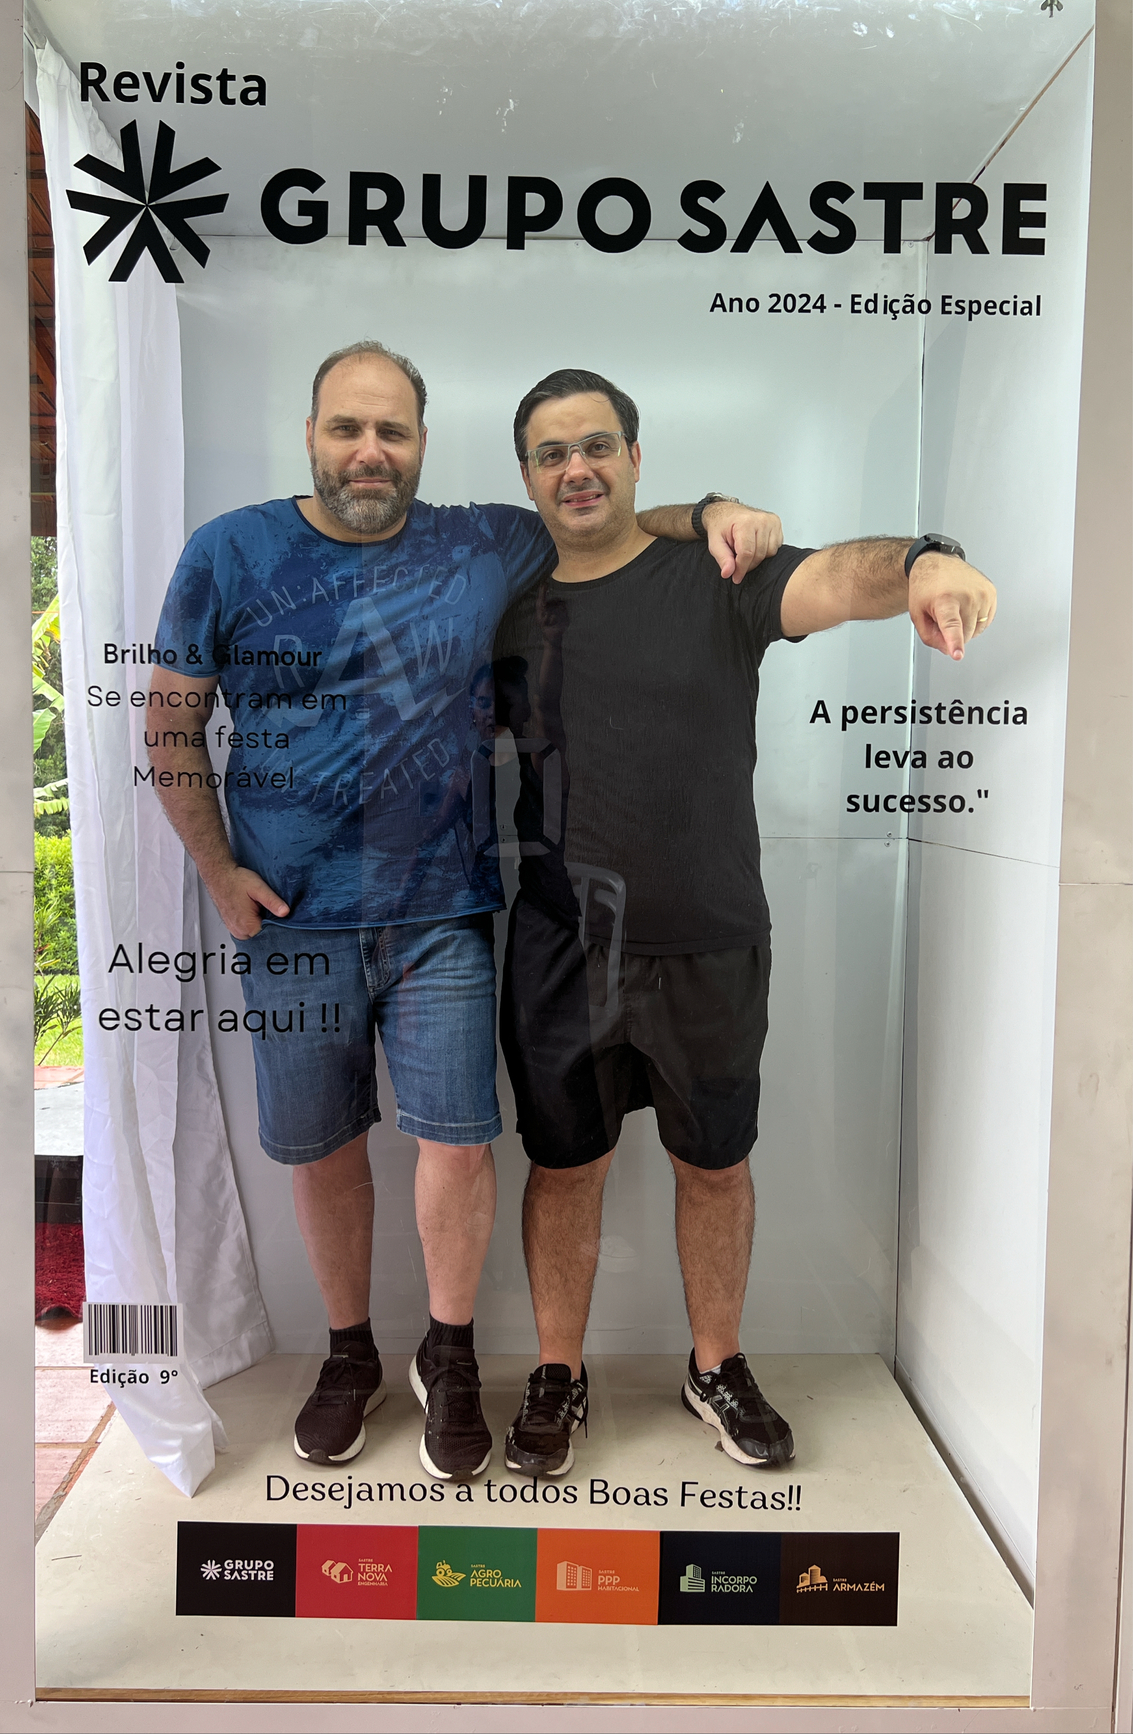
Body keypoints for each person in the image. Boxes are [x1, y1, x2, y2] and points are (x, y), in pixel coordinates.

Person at [147, 340, 778, 1482]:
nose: (370, 450)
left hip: (443, 912)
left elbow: (607, 517)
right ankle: (349, 1355)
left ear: (423, 444)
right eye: (348, 427)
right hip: (289, 920)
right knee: (323, 1148)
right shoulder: (228, 551)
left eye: (392, 430)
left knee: (459, 1143)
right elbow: (171, 720)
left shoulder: (488, 540)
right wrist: (216, 869)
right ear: (311, 435)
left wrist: (714, 511)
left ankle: (448, 1355)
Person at [494, 367, 996, 1478]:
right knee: (565, 1167)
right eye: (551, 453)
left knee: (714, 1166)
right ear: (526, 476)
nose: (576, 468)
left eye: (597, 445)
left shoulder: (715, 575)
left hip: (710, 938)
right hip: (560, 944)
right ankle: (559, 1371)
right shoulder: (506, 605)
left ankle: (714, 1364)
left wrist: (925, 562)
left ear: (635, 456)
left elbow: (840, 577)